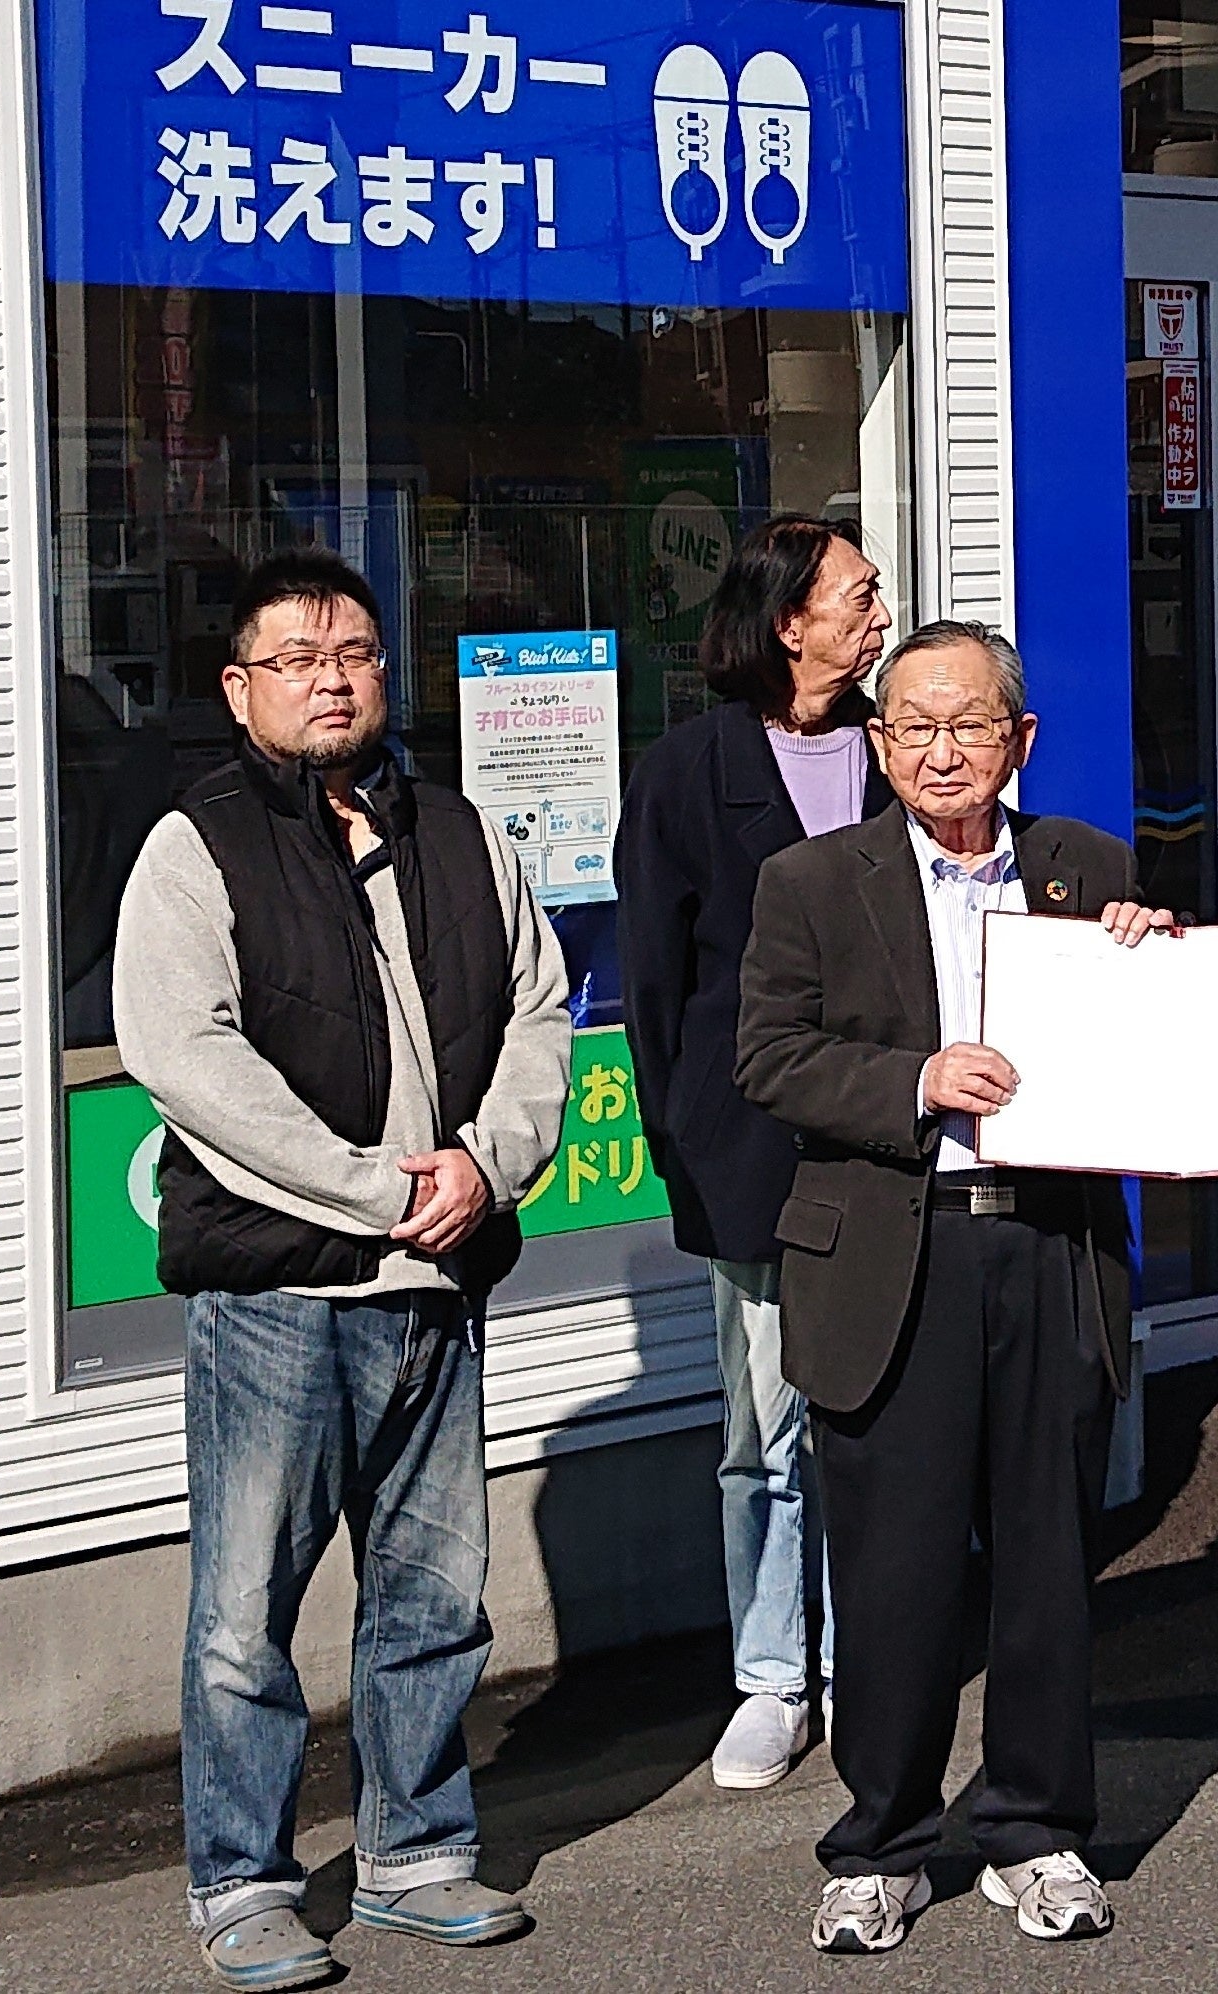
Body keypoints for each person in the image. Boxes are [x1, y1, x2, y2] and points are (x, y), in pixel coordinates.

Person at [115, 546, 573, 1991]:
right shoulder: (194, 845)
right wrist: (381, 1189)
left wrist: (485, 1165)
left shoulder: (460, 831)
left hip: (439, 1281)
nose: (332, 679)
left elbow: (541, 1008)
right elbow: (187, 1060)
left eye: (356, 652)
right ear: (238, 686)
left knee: (434, 1597)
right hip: (281, 1294)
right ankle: (243, 1878)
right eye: (298, 657)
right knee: (245, 1616)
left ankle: (415, 1852)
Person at [735, 620, 1171, 1956]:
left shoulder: (1088, 866)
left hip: (1047, 1247)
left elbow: (1155, 1046)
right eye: (914, 725)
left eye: (969, 723)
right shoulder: (812, 880)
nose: (941, 750)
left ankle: (1033, 1827)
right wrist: (913, 1082)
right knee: (895, 1572)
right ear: (877, 742)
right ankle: (879, 1842)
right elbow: (767, 1056)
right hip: (893, 1251)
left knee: (1047, 1561)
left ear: (1017, 738)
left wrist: (1152, 958)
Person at [616, 514, 895, 1790]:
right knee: (769, 1426)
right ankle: (775, 1672)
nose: (878, 611)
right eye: (857, 594)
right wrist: (684, 1141)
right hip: (753, 1144)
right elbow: (655, 984)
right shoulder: (688, 770)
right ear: (789, 622)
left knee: (879, 1417)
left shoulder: (901, 747)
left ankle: (872, 1656)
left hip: (894, 1127)